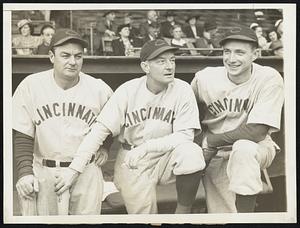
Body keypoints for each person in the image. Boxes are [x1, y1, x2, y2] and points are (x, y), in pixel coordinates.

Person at [55, 39, 206, 214]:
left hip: (165, 157)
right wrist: (74, 170)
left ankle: (183, 214)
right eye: (161, 61)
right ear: (145, 67)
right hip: (132, 160)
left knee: (191, 152)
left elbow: (185, 136)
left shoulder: (182, 89)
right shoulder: (128, 90)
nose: (169, 66)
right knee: (144, 217)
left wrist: (146, 148)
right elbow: (98, 131)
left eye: (172, 60)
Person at [13, 29, 113, 215]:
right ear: (51, 56)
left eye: (78, 56)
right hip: (44, 170)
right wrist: (25, 172)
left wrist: (105, 146)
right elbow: (23, 134)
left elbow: (111, 125)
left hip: (86, 171)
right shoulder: (31, 85)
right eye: (65, 55)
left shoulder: (99, 88)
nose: (73, 62)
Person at [191, 26, 284, 213]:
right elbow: (189, 116)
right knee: (222, 213)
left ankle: (246, 219)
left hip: (257, 146)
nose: (231, 59)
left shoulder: (268, 78)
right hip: (215, 151)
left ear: (255, 54)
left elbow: (256, 131)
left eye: (240, 52)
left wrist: (210, 142)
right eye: (227, 52)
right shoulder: (205, 78)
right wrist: (199, 144)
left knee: (244, 148)